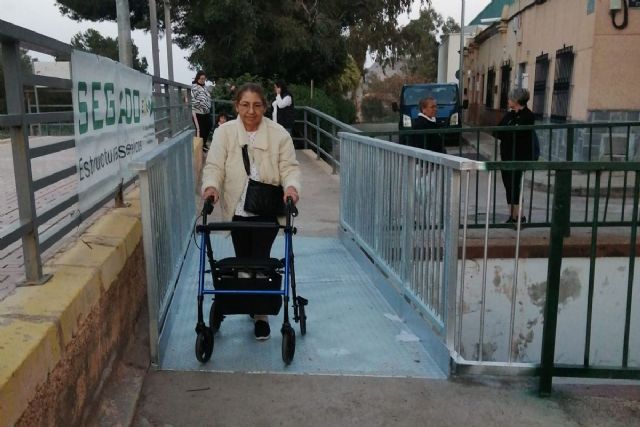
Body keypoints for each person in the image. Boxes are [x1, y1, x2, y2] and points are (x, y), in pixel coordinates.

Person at [201, 83, 301, 341]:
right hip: (236, 207)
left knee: (259, 259)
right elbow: (214, 165)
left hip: (266, 208)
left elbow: (290, 167)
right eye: (245, 105)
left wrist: (291, 188)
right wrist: (211, 186)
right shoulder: (225, 133)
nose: (251, 111)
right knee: (242, 259)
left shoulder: (279, 134)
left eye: (257, 105)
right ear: (236, 106)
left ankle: (260, 314)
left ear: (265, 107)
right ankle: (249, 300)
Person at [495, 88, 535, 224]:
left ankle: (519, 216)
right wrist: (511, 121)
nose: (508, 101)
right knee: (508, 185)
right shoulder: (510, 115)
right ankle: (512, 216)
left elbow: (516, 135)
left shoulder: (528, 116)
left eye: (510, 99)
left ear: (516, 101)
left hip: (519, 156)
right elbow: (498, 131)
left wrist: (509, 131)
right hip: (506, 155)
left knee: (515, 185)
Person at [191, 70, 213, 152]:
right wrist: (201, 104)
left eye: (204, 78)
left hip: (206, 112)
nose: (203, 80)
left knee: (209, 125)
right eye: (201, 78)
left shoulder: (205, 88)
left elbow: (208, 98)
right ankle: (198, 149)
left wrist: (208, 106)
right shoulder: (194, 87)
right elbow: (191, 100)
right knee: (199, 130)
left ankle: (203, 144)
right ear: (198, 78)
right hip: (197, 112)